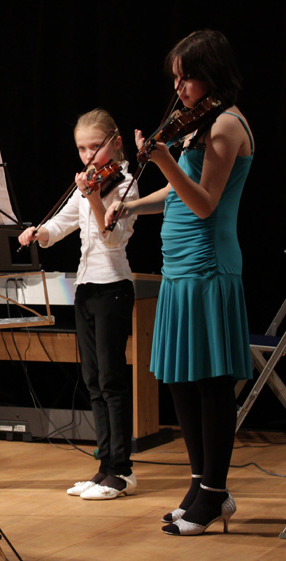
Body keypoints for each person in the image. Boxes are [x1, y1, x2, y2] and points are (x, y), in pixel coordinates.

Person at [106, 30, 252, 535]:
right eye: (175, 79)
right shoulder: (200, 125)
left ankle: (214, 493)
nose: (179, 88)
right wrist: (130, 205)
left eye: (186, 77)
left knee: (211, 383)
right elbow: (175, 190)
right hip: (179, 264)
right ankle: (198, 485)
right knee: (183, 379)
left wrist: (164, 158)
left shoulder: (227, 125)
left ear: (212, 73)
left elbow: (205, 203)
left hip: (208, 263)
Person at [19, 109, 138, 500]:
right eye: (82, 149)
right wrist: (40, 233)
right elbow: (62, 222)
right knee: (92, 380)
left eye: (95, 147)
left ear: (115, 143)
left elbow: (111, 238)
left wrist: (94, 198)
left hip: (113, 286)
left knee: (111, 380)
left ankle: (122, 471)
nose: (88, 156)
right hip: (85, 287)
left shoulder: (125, 184)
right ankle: (104, 467)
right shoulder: (88, 184)